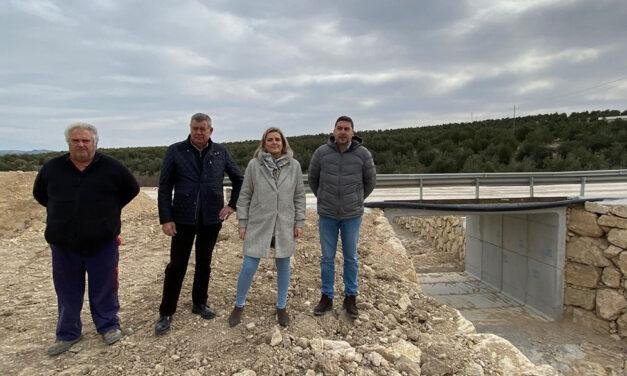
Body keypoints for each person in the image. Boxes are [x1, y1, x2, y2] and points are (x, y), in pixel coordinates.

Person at [33, 122, 140, 356]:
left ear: (95, 143)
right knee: (66, 290)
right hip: (63, 245)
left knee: (104, 287)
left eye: (86, 140)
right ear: (68, 143)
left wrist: (109, 212)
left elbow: (131, 189)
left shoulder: (112, 167)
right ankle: (68, 333)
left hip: (102, 243)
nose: (81, 144)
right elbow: (40, 195)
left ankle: (108, 325)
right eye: (75, 140)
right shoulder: (52, 168)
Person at [155, 113, 243, 335]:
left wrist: (232, 205)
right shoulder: (175, 151)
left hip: (211, 219)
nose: (199, 132)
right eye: (195, 128)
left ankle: (199, 303)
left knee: (204, 262)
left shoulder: (220, 152)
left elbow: (239, 178)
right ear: (190, 128)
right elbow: (164, 187)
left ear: (211, 130)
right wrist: (166, 218)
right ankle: (166, 312)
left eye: (203, 128)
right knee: (177, 266)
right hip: (182, 219)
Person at [227, 127, 306, 328]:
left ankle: (281, 307)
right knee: (249, 265)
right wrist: (242, 223)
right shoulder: (254, 165)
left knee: (283, 266)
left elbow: (299, 196)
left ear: (283, 142)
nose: (274, 143)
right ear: (264, 144)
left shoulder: (294, 166)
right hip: (259, 222)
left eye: (277, 140)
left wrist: (299, 222)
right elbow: (244, 195)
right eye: (269, 140)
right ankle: (239, 304)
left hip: (284, 223)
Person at [308, 115, 376, 319]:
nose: (343, 132)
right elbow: (313, 179)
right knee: (327, 258)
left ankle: (350, 298)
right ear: (334, 131)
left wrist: (355, 199)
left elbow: (370, 182)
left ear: (353, 132)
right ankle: (327, 297)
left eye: (347, 129)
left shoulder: (363, 154)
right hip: (327, 214)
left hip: (351, 215)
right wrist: (323, 198)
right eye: (340, 128)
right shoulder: (321, 153)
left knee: (351, 258)